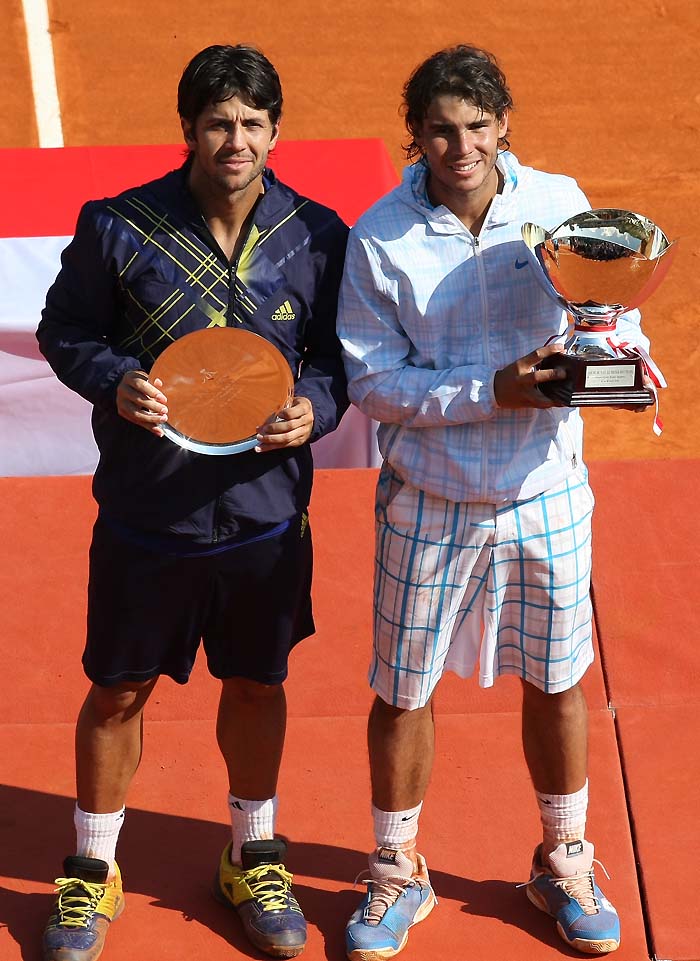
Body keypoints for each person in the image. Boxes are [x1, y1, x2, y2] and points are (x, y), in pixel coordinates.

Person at [337, 44, 650, 960]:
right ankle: (396, 871)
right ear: (417, 134)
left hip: (546, 492)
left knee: (558, 683)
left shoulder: (557, 201)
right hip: (429, 500)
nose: (460, 144)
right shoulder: (378, 236)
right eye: (441, 127)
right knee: (401, 692)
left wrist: (625, 356)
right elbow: (373, 383)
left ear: (503, 123)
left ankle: (565, 858)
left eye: (477, 124)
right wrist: (492, 390)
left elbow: (609, 308)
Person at [36, 43, 348, 961]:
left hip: (264, 516)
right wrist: (114, 380)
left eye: (254, 122)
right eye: (220, 122)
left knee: (257, 683)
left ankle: (253, 852)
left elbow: (337, 357)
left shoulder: (317, 234)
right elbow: (67, 329)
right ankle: (92, 872)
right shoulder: (118, 226)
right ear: (189, 130)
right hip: (149, 513)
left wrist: (316, 406)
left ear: (276, 129)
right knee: (117, 689)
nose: (236, 140)